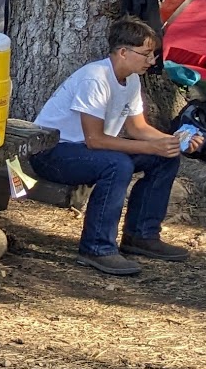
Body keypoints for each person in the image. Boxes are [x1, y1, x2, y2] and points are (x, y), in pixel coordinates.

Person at [28, 17, 192, 276]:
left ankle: (141, 235)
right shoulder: (95, 79)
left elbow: (138, 129)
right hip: (52, 151)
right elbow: (95, 139)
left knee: (165, 159)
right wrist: (151, 148)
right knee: (117, 164)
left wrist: (170, 142)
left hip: (87, 150)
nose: (151, 61)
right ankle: (96, 247)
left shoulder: (132, 80)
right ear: (123, 52)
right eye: (146, 54)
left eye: (152, 55)